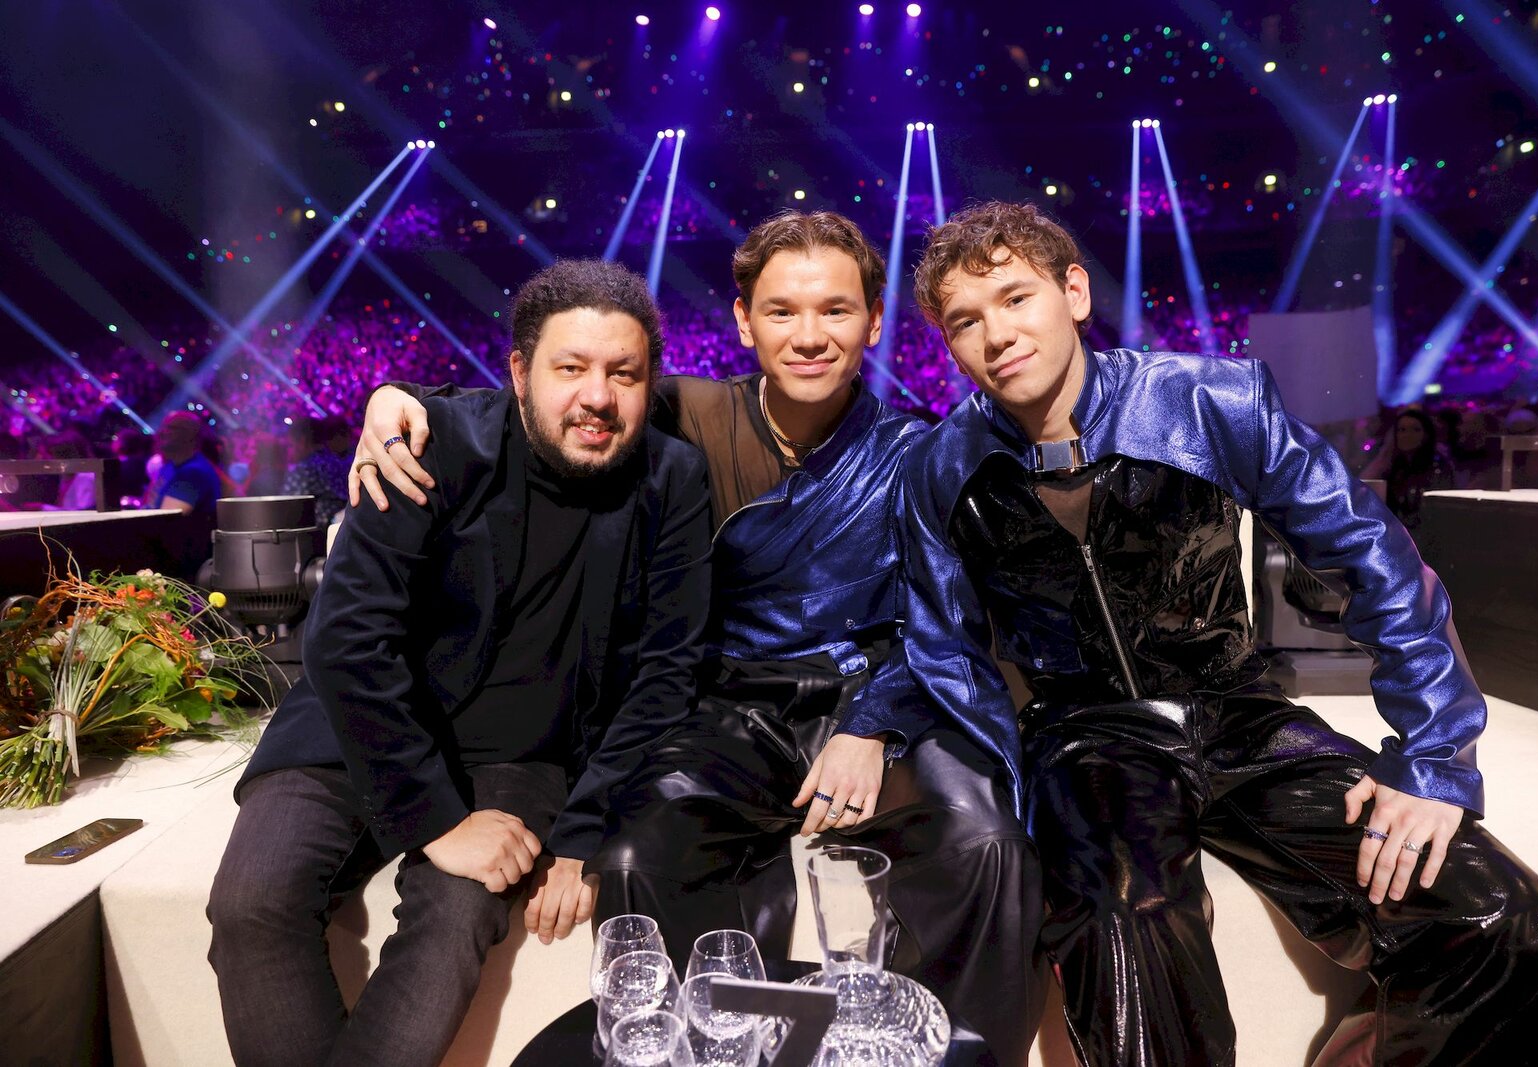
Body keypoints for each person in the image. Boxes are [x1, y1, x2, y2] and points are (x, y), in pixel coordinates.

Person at [858, 200, 1538, 1065]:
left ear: (1074, 292)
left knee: (1507, 916)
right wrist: (1006, 807)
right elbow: (943, 651)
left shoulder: (1209, 399)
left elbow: (1374, 558)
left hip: (1243, 714)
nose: (997, 334)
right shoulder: (941, 470)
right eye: (965, 321)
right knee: (1126, 930)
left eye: (1015, 298)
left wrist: (1433, 756)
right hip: (1090, 737)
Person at [354, 211, 1047, 1066]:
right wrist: (400, 398)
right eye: (782, 310)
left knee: (987, 841)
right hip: (727, 705)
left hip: (875, 700)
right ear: (744, 320)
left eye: (835, 310)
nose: (809, 336)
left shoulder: (917, 450)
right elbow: (541, 400)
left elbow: (943, 619)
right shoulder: (684, 411)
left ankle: (940, 1055)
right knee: (637, 853)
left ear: (874, 321)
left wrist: (872, 725)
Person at [206, 260, 713, 1067]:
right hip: (355, 726)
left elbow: (665, 673)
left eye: (624, 373)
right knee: (250, 904)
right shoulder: (429, 443)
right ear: (519, 371)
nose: (598, 395)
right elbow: (346, 638)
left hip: (519, 757)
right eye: (570, 367)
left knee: (450, 924)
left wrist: (586, 830)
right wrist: (435, 820)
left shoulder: (673, 478)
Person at [145, 410, 223, 580]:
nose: (163, 432)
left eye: (173, 428)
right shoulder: (171, 467)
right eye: (164, 427)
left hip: (181, 569)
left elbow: (164, 520)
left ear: (191, 436)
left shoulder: (193, 473)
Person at [1360, 407, 1454, 528]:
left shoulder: (1438, 467)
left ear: (1426, 434)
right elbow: (1363, 491)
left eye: (1416, 430)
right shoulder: (1394, 466)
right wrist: (1385, 455)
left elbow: (1437, 512)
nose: (1407, 435)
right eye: (1402, 430)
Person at [285, 414, 350, 527]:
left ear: (302, 442)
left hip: (321, 532)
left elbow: (287, 507)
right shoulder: (340, 463)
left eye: (290, 445)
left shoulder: (304, 469)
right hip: (348, 525)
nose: (289, 452)